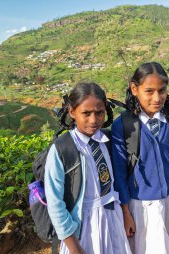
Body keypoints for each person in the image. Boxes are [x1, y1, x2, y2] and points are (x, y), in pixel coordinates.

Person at [111, 62, 169, 254]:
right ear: (134, 89)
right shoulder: (123, 126)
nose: (157, 98)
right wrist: (125, 212)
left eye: (162, 91)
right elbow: (120, 174)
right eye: (149, 91)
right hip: (142, 203)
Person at [44, 82, 131, 254]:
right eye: (86, 113)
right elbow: (55, 204)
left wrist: (125, 215)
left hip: (112, 219)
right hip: (82, 228)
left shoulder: (108, 140)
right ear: (71, 112)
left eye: (99, 113)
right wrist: (74, 247)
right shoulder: (62, 149)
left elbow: (117, 182)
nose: (94, 120)